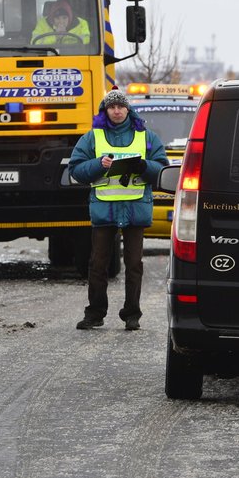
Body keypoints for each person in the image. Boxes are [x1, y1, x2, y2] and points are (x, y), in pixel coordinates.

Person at [69, 87, 168, 331]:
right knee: (98, 264)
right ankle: (95, 314)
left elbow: (162, 169)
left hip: (135, 210)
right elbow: (76, 170)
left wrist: (144, 166)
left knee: (134, 264)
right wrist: (97, 165)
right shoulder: (93, 137)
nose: (116, 111)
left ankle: (132, 315)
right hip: (105, 209)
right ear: (105, 111)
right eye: (111, 107)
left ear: (128, 109)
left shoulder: (147, 137)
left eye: (121, 106)